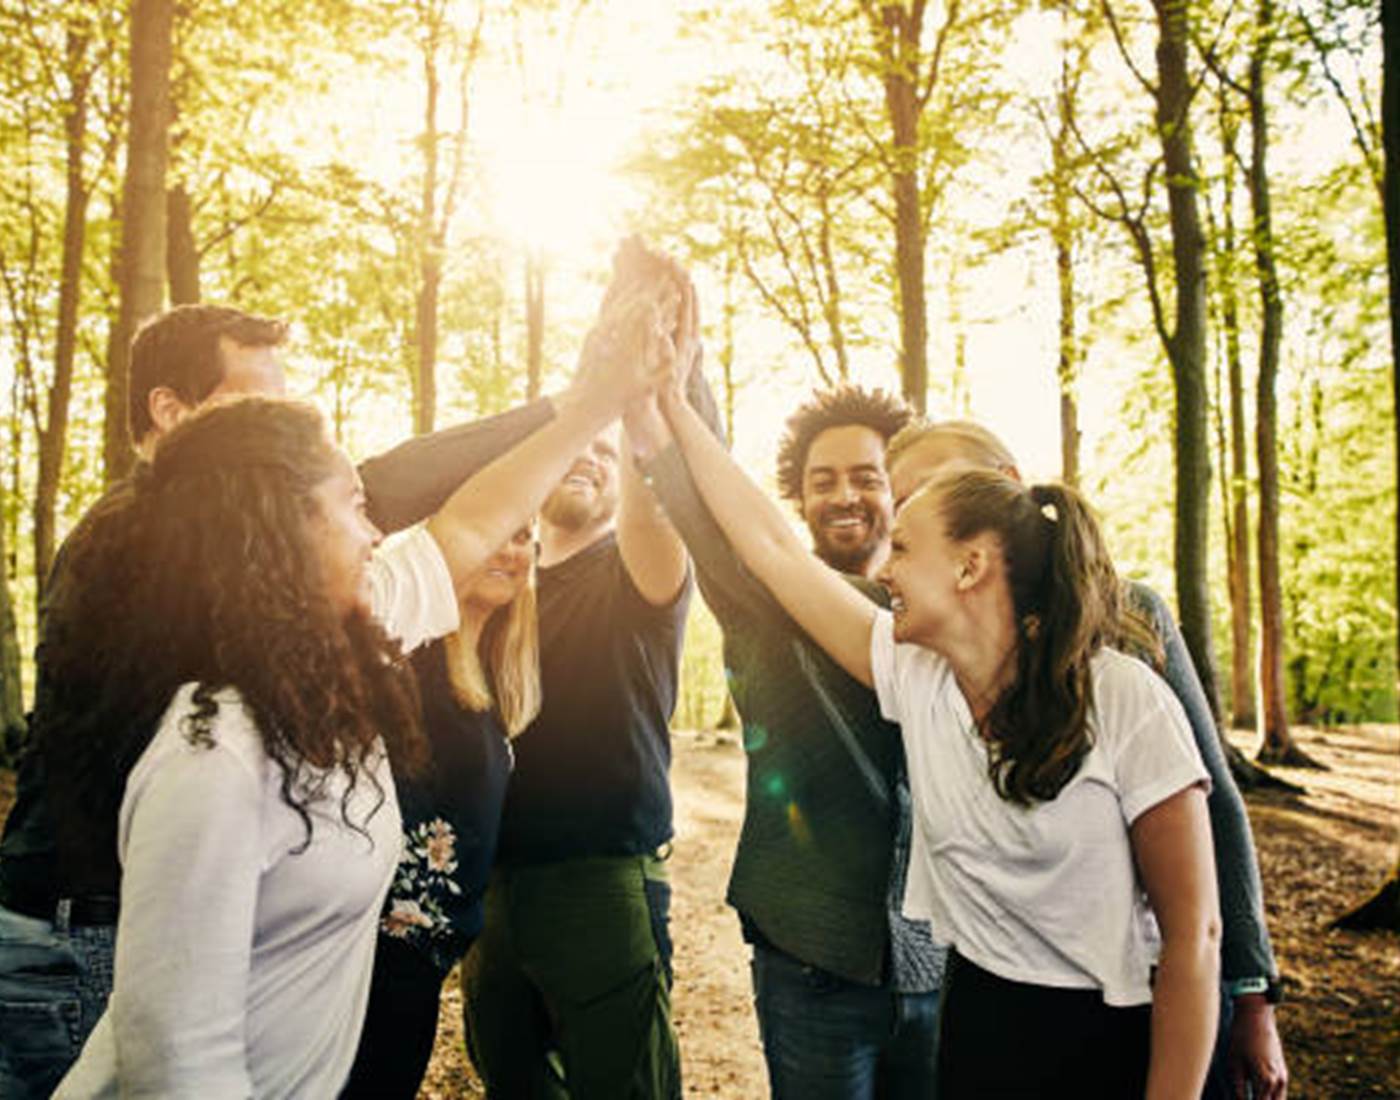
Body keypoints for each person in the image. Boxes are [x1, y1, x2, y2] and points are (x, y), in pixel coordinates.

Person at [50, 286, 668, 1096]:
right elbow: (176, 1057)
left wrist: (595, 402)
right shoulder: (215, 754)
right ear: (284, 532)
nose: (377, 530)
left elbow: (467, 527)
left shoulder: (337, 648)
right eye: (352, 505)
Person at [654, 329, 1221, 1096]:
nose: (883, 568)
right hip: (978, 1021)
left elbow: (1195, 935)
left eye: (904, 548)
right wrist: (673, 401)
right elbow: (769, 549)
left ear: (969, 564)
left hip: (1105, 1034)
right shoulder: (915, 676)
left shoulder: (1123, 697)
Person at [883, 419, 1288, 1100]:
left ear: (1006, 490)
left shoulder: (1128, 627)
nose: (910, 510)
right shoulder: (927, 652)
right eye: (899, 502)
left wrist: (1252, 994)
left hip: (1133, 999)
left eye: (935, 487)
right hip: (999, 995)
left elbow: (1211, 809)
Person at [625, 265, 944, 1097]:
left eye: (867, 476)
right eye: (821, 481)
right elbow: (711, 509)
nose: (846, 496)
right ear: (795, 501)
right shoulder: (763, 597)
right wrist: (682, 373)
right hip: (812, 959)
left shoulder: (955, 615)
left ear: (902, 491)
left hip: (943, 961)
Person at [462, 243, 694, 1100]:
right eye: (574, 446)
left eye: (607, 451)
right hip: (492, 886)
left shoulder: (637, 573)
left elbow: (658, 512)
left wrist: (634, 403)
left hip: (600, 883)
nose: (589, 458)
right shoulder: (494, 587)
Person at [342, 523, 540, 1099]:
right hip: (378, 960)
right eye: (496, 531)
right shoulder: (407, 656)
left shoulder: (491, 674)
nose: (508, 549)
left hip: (424, 964)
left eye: (523, 536)